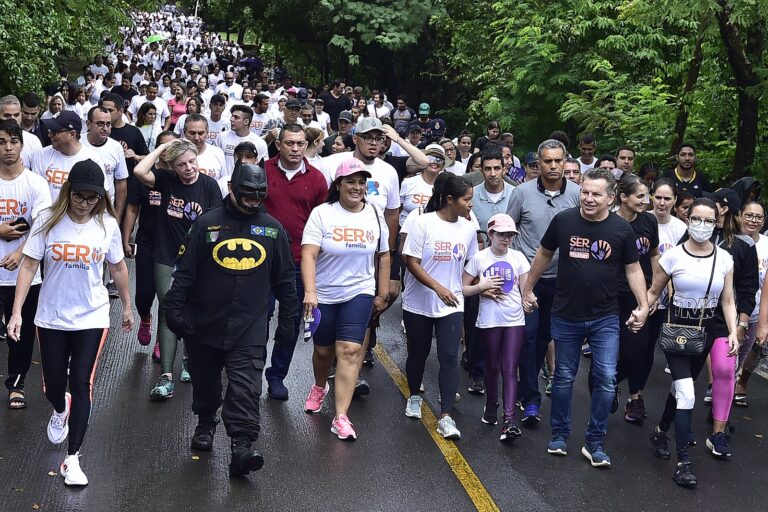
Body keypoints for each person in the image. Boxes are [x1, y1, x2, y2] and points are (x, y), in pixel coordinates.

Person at [163, 161, 298, 477]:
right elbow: (184, 272)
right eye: (247, 192)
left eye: (259, 193)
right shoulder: (206, 224)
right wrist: (175, 310)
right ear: (232, 189)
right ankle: (205, 422)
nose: (253, 199)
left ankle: (242, 447)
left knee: (245, 387)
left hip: (249, 327)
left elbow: (285, 281)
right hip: (203, 324)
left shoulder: (272, 230)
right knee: (206, 382)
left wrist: (289, 321)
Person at [7, 159, 133, 486]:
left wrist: (128, 307)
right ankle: (59, 408)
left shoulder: (106, 225)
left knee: (82, 381)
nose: (84, 204)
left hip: (91, 315)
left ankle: (73, 458)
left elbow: (118, 268)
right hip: (50, 316)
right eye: (79, 197)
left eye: (92, 198)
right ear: (68, 192)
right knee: (52, 385)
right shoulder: (48, 221)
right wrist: (18, 311)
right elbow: (28, 266)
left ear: (100, 198)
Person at [522, 168, 649, 467]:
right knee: (564, 376)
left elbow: (633, 269)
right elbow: (543, 254)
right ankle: (560, 434)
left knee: (606, 378)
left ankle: (595, 441)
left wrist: (643, 305)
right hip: (566, 315)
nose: (589, 199)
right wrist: (528, 289)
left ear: (611, 198)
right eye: (585, 192)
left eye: (596, 194)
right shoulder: (564, 221)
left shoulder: (621, 230)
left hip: (606, 316)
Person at [646, 197, 738, 488]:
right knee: (687, 392)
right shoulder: (672, 256)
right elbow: (654, 291)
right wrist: (640, 311)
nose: (702, 226)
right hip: (676, 330)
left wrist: (733, 331)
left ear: (717, 223)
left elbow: (728, 300)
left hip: (706, 330)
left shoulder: (724, 259)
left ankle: (661, 430)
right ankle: (683, 462)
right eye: (696, 219)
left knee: (680, 388)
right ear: (688, 220)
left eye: (708, 221)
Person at [301, 158, 390, 440]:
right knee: (324, 352)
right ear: (338, 184)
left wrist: (382, 291)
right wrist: (311, 291)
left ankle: (341, 416)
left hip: (359, 291)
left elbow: (384, 254)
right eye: (351, 181)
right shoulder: (322, 214)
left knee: (350, 352)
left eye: (362, 182)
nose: (357, 187)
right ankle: (319, 386)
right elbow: (308, 254)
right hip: (325, 293)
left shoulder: (374, 214)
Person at [133, 138, 222, 400]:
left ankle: (188, 361)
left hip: (196, 260)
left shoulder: (209, 185)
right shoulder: (165, 179)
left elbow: (217, 225)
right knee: (169, 309)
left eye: (192, 162)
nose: (189, 168)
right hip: (165, 255)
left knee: (193, 310)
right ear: (172, 166)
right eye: (181, 164)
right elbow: (139, 172)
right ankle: (166, 376)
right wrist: (163, 148)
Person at [506, 139, 580, 425]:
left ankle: (528, 389)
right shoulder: (521, 193)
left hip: (564, 281)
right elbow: (508, 232)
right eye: (546, 161)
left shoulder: (577, 194)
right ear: (538, 163)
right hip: (528, 279)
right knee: (527, 336)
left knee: (545, 339)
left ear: (565, 162)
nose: (552, 166)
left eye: (558, 161)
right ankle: (531, 398)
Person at [402, 174, 478, 439]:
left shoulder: (468, 229)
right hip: (419, 302)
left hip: (452, 304)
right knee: (418, 354)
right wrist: (438, 287)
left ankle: (446, 416)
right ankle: (414, 396)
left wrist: (464, 288)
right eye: (466, 200)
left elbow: (470, 264)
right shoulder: (423, 223)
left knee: (449, 356)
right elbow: (411, 262)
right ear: (449, 199)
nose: (471, 205)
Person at [262, 124, 328, 399]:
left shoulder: (317, 179)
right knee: (257, 318)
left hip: (299, 263)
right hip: (261, 260)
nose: (295, 148)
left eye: (300, 143)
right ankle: (249, 369)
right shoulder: (262, 170)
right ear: (279, 145)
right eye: (289, 143)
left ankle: (276, 376)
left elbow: (324, 221)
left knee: (289, 324)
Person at [700, 188, 757, 457]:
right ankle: (670, 426)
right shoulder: (697, 237)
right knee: (684, 375)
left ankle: (718, 433)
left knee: (724, 370)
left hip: (726, 322)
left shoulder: (744, 247)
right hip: (694, 318)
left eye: (714, 203)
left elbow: (748, 291)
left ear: (723, 208)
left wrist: (742, 325)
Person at [462, 213, 529, 441]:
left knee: (510, 367)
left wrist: (530, 301)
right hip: (489, 319)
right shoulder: (479, 258)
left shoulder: (519, 258)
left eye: (510, 235)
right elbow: (462, 288)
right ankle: (491, 405)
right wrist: (482, 287)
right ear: (490, 234)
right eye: (501, 234)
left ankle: (509, 420)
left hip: (514, 319)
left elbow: (525, 292)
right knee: (492, 366)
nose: (506, 239)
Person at [0, 120, 52, 409]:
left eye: (13, 142)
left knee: (20, 333)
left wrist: (22, 252)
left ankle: (16, 384)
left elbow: (42, 224)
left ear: (21, 144)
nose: (8, 148)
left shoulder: (35, 183)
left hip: (25, 275)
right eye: (1, 142)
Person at [122, 130, 178, 354]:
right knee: (144, 296)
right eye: (163, 148)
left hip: (174, 247)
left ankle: (160, 340)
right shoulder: (145, 177)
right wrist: (126, 239)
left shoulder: (181, 178)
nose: (167, 153)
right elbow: (132, 209)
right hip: (147, 243)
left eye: (172, 148)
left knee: (167, 298)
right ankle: (146, 317)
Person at [611, 176, 659, 423]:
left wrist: (657, 289)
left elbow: (654, 255)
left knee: (636, 352)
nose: (646, 200)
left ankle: (612, 383)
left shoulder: (649, 221)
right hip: (610, 296)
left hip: (640, 297)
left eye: (646, 195)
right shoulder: (609, 222)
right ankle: (606, 388)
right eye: (640, 196)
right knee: (609, 350)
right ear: (623, 197)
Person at [733, 201, 768, 407]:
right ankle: (716, 387)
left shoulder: (766, 244)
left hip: (758, 311)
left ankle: (740, 383)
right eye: (749, 215)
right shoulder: (731, 240)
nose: (753, 220)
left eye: (758, 217)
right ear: (740, 215)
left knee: (755, 351)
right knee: (729, 354)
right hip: (730, 312)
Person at [31, 111, 105, 202]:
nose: (49, 135)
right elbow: (35, 193)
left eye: (55, 131)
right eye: (50, 131)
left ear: (72, 134)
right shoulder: (42, 155)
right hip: (46, 215)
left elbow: (100, 196)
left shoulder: (93, 159)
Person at [214, 104, 268, 176]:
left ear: (246, 122)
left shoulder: (259, 143)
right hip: (224, 182)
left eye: (236, 117)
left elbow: (263, 168)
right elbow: (215, 160)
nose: (231, 119)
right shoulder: (221, 137)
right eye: (232, 116)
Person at [183, 114, 227, 180]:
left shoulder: (218, 153)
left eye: (201, 133)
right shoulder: (177, 155)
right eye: (192, 133)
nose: (196, 138)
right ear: (184, 132)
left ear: (207, 133)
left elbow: (223, 181)